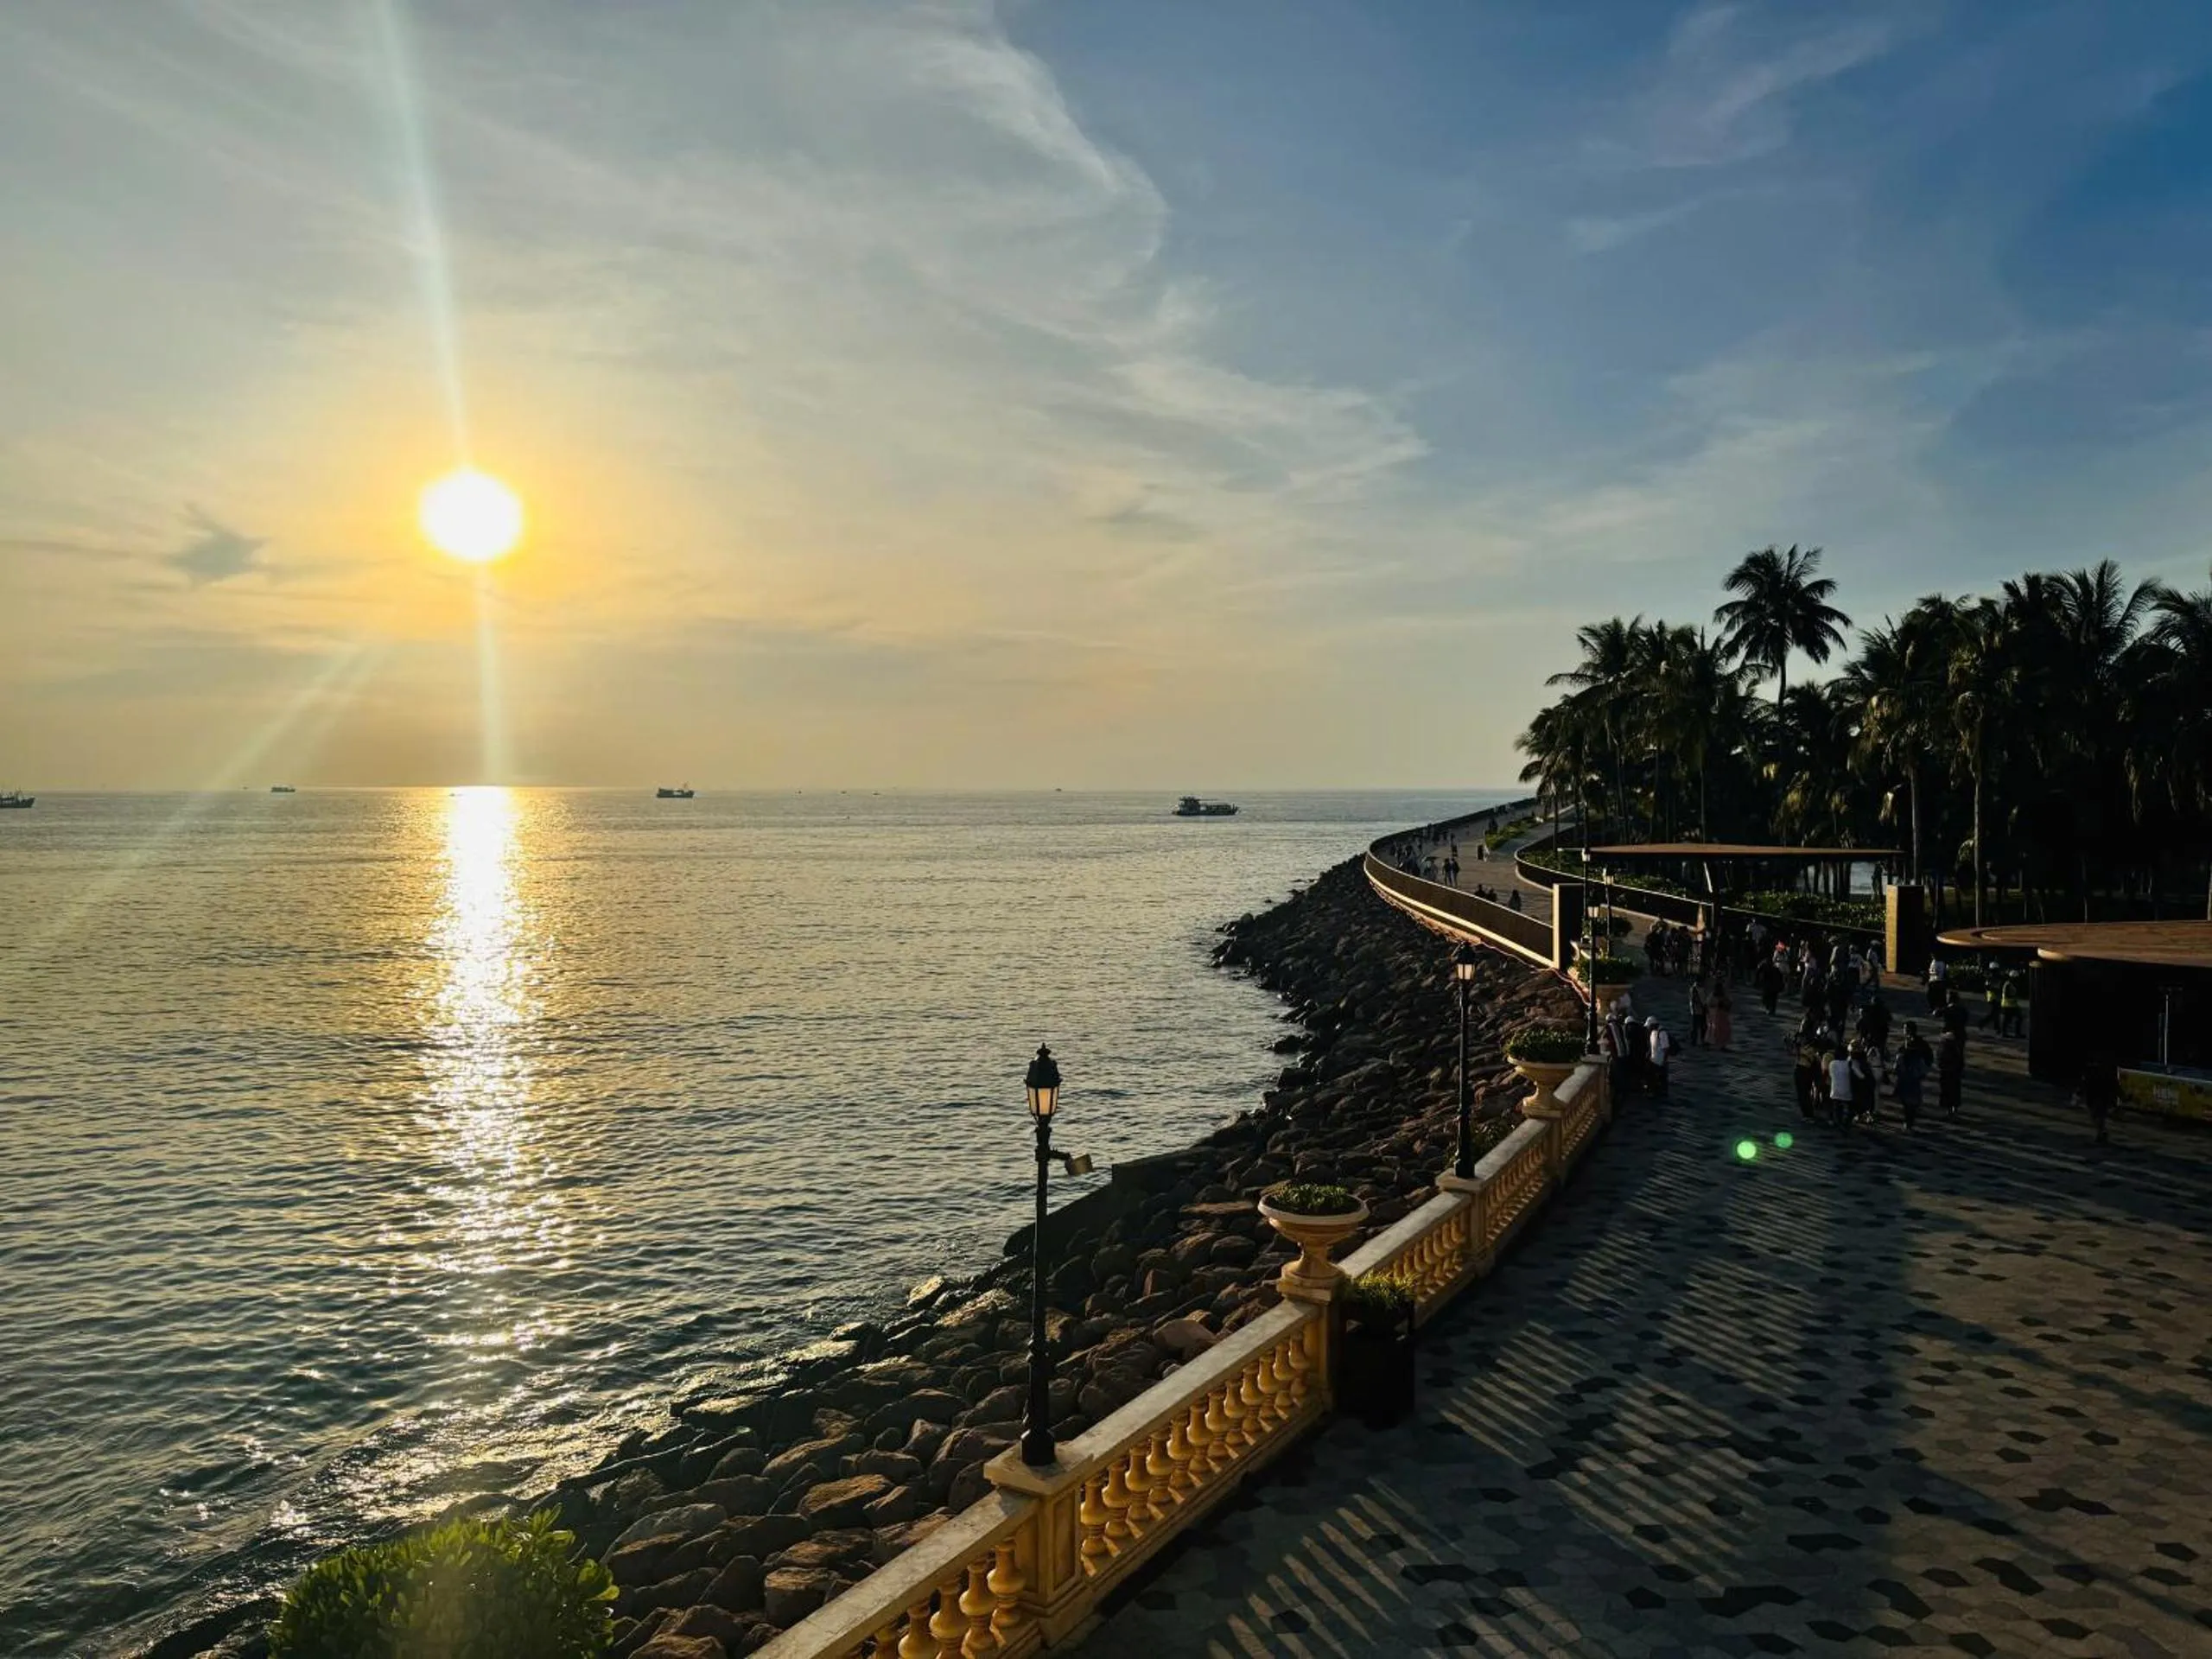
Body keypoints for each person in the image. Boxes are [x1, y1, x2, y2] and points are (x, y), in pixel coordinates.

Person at [2075, 1051, 2118, 1147]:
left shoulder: (2092, 1072)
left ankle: (2101, 1133)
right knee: (2098, 1116)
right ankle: (2101, 1133)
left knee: (2097, 1116)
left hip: (2097, 1097)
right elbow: (2113, 1084)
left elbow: (2084, 1084)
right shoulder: (2100, 1071)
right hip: (2098, 1097)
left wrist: (2078, 1094)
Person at [1894, 1021, 1931, 1130]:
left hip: (1909, 1075)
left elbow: (1901, 1057)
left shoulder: (1911, 1044)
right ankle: (1909, 1120)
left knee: (1908, 1100)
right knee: (1911, 1099)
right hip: (1913, 1075)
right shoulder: (1920, 1043)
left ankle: (1908, 1121)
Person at [1937, 1027, 1965, 1120]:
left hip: (1948, 1073)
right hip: (1951, 1073)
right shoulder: (1955, 1049)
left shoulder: (1945, 1049)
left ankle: (1950, 1111)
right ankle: (1952, 1111)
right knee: (1953, 1093)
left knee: (1949, 1093)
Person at [1827, 1043, 1855, 1130]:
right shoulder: (1849, 1064)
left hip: (1835, 1091)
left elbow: (1831, 1075)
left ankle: (1837, 1122)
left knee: (1836, 1106)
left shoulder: (1832, 1063)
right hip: (1847, 1092)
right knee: (1851, 1108)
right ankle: (1846, 1123)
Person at [1646, 1015, 1672, 1099]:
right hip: (1654, 1061)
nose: (1648, 1028)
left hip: (1660, 1062)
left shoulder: (1662, 1033)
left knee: (1662, 1082)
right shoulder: (1653, 1033)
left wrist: (1664, 1062)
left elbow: (1666, 1048)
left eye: (1649, 1026)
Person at [1756, 952, 1783, 1016]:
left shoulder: (1769, 966)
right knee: (1771, 998)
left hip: (1770, 984)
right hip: (1771, 984)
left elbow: (1758, 971)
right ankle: (1771, 1009)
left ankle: (1770, 1009)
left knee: (1769, 997)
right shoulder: (1767, 965)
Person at [1710, 979, 1733, 1051]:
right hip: (1719, 1014)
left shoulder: (1721, 996)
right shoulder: (1715, 996)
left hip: (1720, 1014)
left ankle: (1720, 1044)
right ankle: (1720, 1044)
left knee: (1721, 1029)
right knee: (1721, 1029)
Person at [1688, 977, 1709, 1048]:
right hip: (1697, 1011)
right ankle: (1694, 1041)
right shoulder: (1694, 989)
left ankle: (1701, 1040)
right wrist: (1704, 1007)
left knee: (1703, 1026)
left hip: (1700, 1010)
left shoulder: (1701, 989)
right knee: (1696, 1027)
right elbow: (1695, 1000)